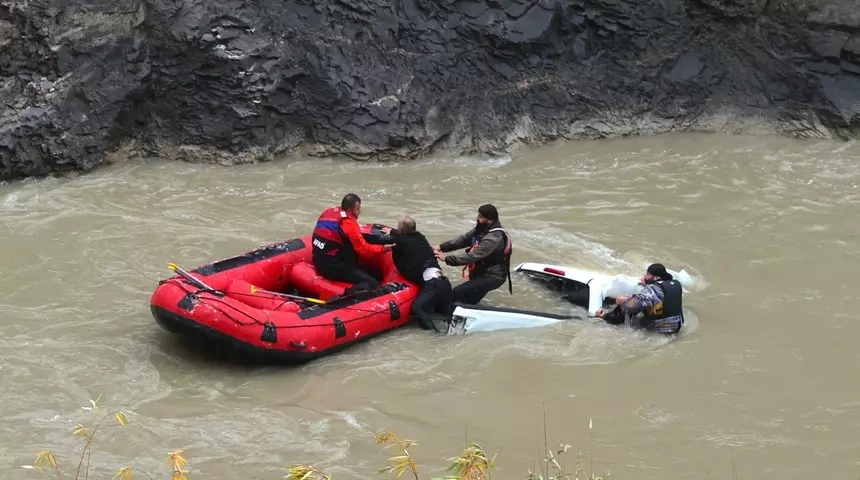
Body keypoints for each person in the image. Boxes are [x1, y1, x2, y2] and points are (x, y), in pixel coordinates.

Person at [366, 216, 454, 332]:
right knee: (446, 316)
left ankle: (434, 335)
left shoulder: (400, 241)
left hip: (434, 285)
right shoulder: (420, 237)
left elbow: (376, 240)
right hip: (443, 283)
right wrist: (393, 232)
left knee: (417, 308)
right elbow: (404, 237)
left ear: (401, 230)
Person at [433, 204, 513, 310]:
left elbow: (471, 257)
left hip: (492, 277)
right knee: (470, 300)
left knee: (458, 292)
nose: (477, 218)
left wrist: (446, 258)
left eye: (480, 217)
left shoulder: (493, 238)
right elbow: (464, 239)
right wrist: (441, 247)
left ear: (489, 220)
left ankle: (446, 314)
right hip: (481, 272)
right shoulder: (483, 228)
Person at [311, 193, 391, 291]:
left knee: (366, 270)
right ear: (349, 210)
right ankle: (349, 296)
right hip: (331, 267)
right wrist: (384, 248)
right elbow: (364, 251)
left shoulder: (329, 211)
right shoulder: (348, 223)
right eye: (357, 210)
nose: (359, 212)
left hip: (318, 259)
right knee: (372, 283)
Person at [595, 263, 685, 335]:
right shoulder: (675, 283)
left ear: (657, 278)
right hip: (676, 324)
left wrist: (623, 301)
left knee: (627, 307)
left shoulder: (654, 289)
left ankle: (603, 317)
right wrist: (648, 283)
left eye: (648, 274)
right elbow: (661, 296)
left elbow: (631, 306)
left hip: (662, 329)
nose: (645, 276)